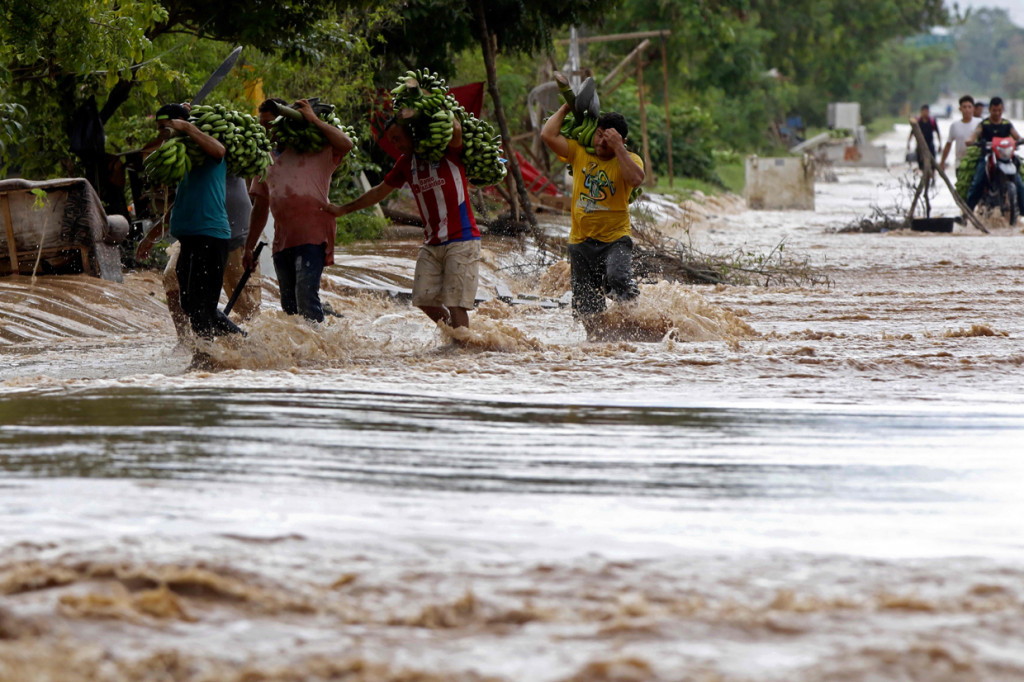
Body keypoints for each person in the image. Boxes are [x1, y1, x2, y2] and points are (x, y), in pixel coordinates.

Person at [322, 117, 481, 330]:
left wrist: (427, 105)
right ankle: (460, 339)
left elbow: (456, 128)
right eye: (392, 141)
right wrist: (343, 209)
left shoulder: (448, 151)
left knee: (456, 304)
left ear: (412, 134)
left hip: (462, 239)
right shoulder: (406, 164)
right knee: (423, 300)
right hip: (432, 243)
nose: (396, 145)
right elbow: (378, 191)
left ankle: (463, 353)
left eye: (398, 139)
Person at [243, 98, 353, 323]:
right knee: (289, 306)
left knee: (305, 297)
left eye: (270, 124)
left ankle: (320, 354)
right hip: (282, 241)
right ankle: (301, 354)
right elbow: (260, 208)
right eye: (262, 124)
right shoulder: (266, 158)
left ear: (285, 123)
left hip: (313, 236)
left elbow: (346, 144)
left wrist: (312, 120)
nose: (266, 130)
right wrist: (248, 247)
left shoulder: (316, 150)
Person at [540, 104, 645, 334]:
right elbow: (547, 134)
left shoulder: (630, 159)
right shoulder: (579, 151)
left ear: (621, 142)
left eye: (607, 140)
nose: (600, 143)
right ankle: (598, 346)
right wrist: (568, 106)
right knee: (587, 308)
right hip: (580, 241)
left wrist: (618, 147)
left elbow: (636, 180)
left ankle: (635, 327)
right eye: (598, 135)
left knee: (618, 277)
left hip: (615, 239)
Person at [155, 103, 242, 340]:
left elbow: (220, 150)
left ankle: (205, 363)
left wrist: (187, 127)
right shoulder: (184, 158)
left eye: (166, 128)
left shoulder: (206, 151)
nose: (162, 134)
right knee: (190, 305)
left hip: (210, 236)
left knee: (201, 309)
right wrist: (150, 236)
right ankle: (242, 345)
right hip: (190, 239)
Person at [965, 96, 1024, 217]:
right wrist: (970, 140)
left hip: (1006, 158)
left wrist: (1020, 140)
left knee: (1019, 184)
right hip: (988, 157)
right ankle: (967, 213)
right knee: (977, 182)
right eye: (994, 110)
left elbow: (1017, 136)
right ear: (990, 110)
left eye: (999, 110)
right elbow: (975, 134)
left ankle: (1022, 211)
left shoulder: (1007, 124)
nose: (997, 113)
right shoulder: (984, 124)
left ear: (1002, 110)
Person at [940, 95, 981, 169]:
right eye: (964, 107)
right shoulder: (955, 126)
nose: (967, 110)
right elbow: (948, 144)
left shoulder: (979, 123)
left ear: (973, 109)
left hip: (975, 162)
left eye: (969, 107)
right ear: (960, 109)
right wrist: (942, 162)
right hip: (960, 163)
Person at [907, 104, 941, 174]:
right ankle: (925, 176)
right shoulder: (917, 122)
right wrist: (908, 144)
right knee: (921, 163)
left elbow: (938, 133)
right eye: (924, 111)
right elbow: (911, 133)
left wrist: (940, 145)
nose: (925, 113)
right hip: (920, 146)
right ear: (921, 112)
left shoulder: (932, 121)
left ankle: (933, 177)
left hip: (930, 145)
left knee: (933, 162)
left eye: (927, 111)